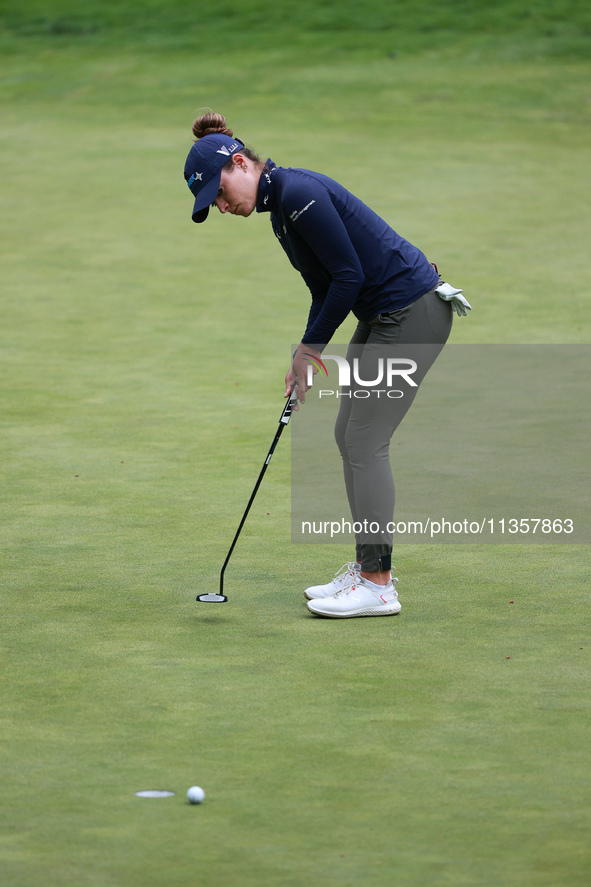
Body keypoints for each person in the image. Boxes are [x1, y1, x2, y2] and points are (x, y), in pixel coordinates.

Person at [184, 112, 470, 618]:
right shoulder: (280, 209)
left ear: (240, 162)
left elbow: (348, 276)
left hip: (411, 313)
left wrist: (309, 350)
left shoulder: (296, 193)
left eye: (220, 192)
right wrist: (304, 354)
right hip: (386, 314)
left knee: (365, 441)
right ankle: (366, 569)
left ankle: (379, 585)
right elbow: (324, 287)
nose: (223, 206)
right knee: (349, 437)